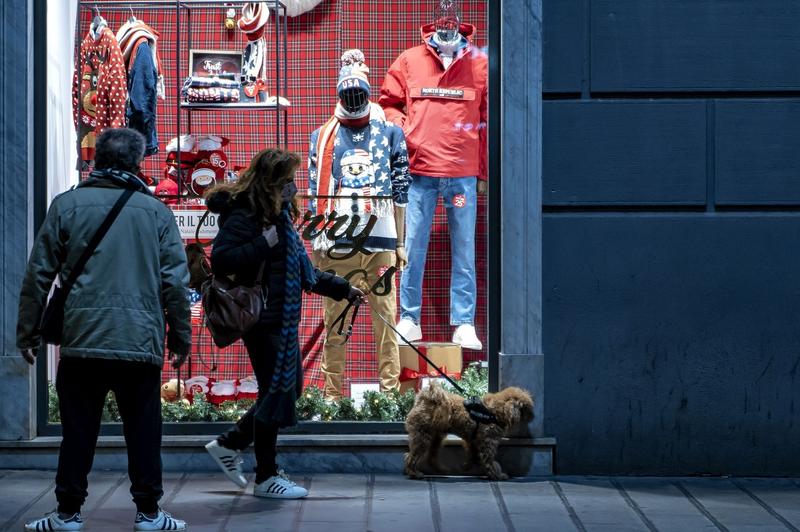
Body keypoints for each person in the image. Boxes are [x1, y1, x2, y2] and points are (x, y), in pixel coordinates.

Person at [17, 128, 191, 531]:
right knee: (143, 432)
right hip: (139, 339)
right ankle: (149, 513)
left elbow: (38, 275)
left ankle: (67, 513)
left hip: (83, 339)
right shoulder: (156, 212)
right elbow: (175, 283)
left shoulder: (67, 206)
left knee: (77, 432)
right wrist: (180, 336)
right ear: (137, 163)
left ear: (97, 159)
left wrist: (27, 333)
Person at [203, 148, 364, 498]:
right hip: (262, 320)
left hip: (279, 319)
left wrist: (342, 289)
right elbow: (222, 260)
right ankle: (265, 476)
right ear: (270, 182)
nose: (293, 186)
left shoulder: (278, 218)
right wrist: (263, 244)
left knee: (286, 388)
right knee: (276, 391)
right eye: (287, 180)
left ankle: (231, 444)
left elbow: (303, 271)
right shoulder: (247, 216)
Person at [379, 0, 488, 350]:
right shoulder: (409, 60)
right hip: (419, 172)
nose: (447, 22)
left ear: (460, 24)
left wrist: (483, 172)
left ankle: (464, 322)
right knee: (412, 246)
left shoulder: (481, 64)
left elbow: (489, 120)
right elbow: (388, 104)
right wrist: (406, 132)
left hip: (462, 174)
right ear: (433, 24)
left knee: (464, 248)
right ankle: (409, 318)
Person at [308, 49, 411, 400]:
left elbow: (401, 192)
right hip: (338, 243)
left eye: (359, 92)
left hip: (381, 242)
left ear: (367, 91)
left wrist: (401, 243)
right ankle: (332, 397)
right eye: (347, 92)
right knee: (336, 324)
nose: (353, 98)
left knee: (386, 323)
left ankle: (390, 396)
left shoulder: (391, 134)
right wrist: (318, 242)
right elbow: (316, 193)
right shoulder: (323, 137)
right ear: (339, 92)